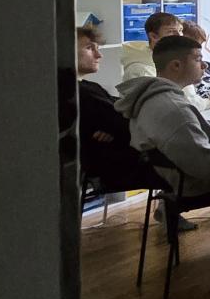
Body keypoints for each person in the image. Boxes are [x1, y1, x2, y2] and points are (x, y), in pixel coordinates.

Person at [115, 35, 210, 228]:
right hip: (193, 184)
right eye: (198, 59)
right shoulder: (174, 108)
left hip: (172, 178)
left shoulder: (150, 96)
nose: (204, 65)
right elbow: (209, 167)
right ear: (176, 65)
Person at [73, 25, 190, 226]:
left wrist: (116, 128)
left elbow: (124, 114)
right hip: (116, 168)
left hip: (125, 156)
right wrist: (120, 126)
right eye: (89, 48)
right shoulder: (80, 94)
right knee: (186, 158)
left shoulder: (90, 87)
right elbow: (126, 121)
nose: (99, 55)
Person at [119, 11, 184, 81]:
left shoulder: (171, 56)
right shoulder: (140, 71)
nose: (179, 35)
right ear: (153, 36)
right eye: (171, 31)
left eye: (180, 30)